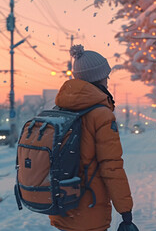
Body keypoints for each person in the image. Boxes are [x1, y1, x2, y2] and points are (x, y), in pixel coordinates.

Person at [50, 44, 136, 231]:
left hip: (62, 204)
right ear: (99, 78)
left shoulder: (59, 110)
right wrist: (125, 210)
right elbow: (111, 166)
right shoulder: (101, 115)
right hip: (90, 206)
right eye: (106, 76)